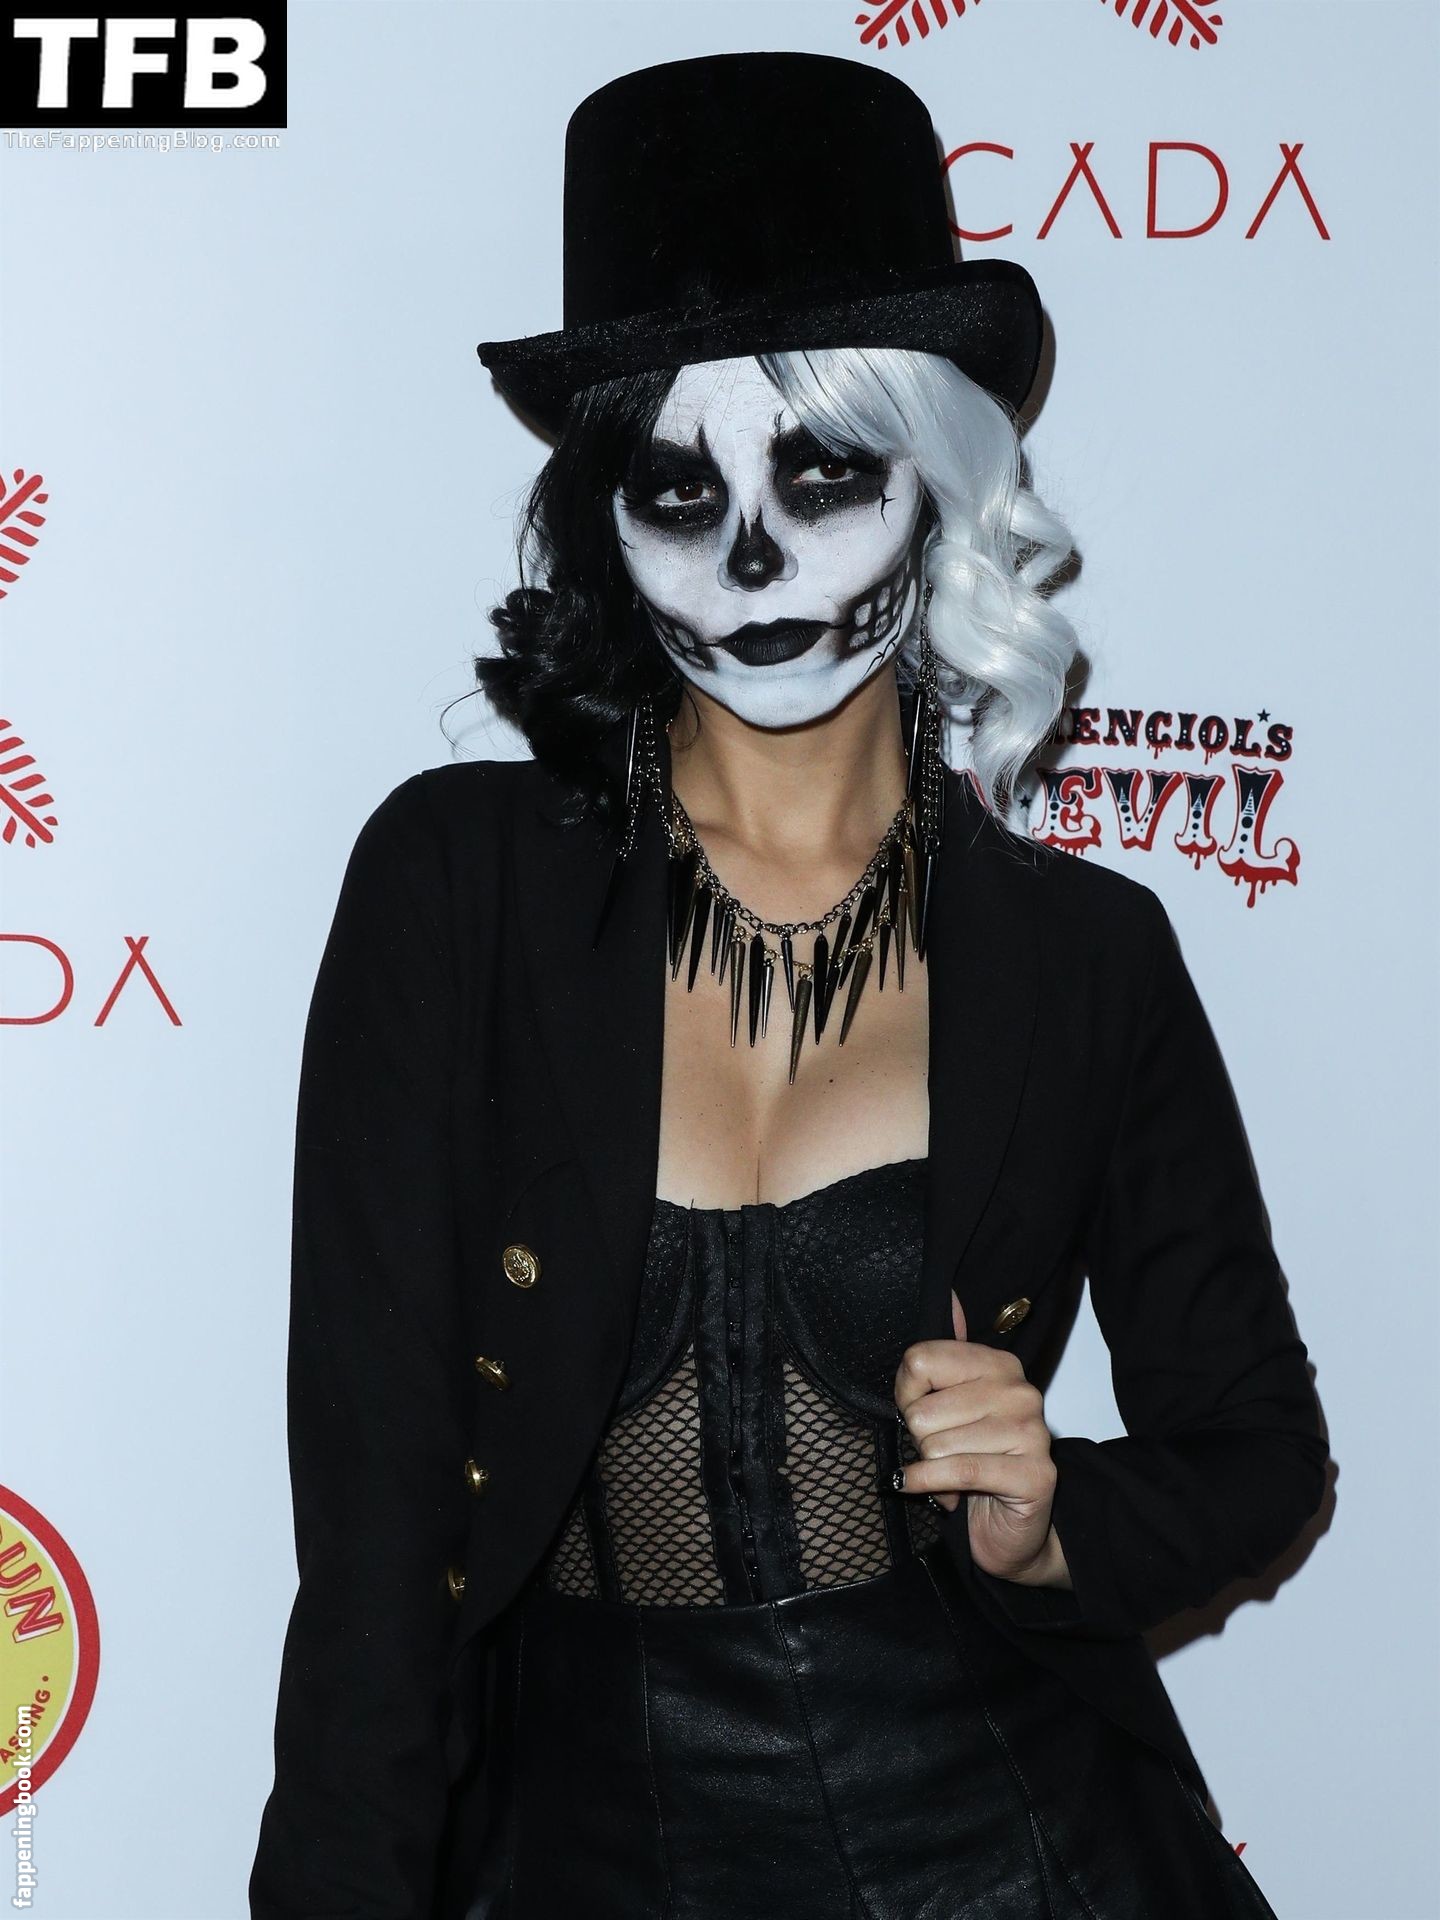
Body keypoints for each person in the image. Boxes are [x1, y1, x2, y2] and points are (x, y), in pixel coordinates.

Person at [249, 52, 1326, 1920]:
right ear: (606, 522)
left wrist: (1055, 1520)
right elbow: (371, 1547)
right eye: (678, 490)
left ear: (944, 489)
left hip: (1016, 1844)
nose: (752, 558)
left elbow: (1255, 1455)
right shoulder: (456, 887)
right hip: (579, 1857)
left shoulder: (1085, 955)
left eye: (824, 473)